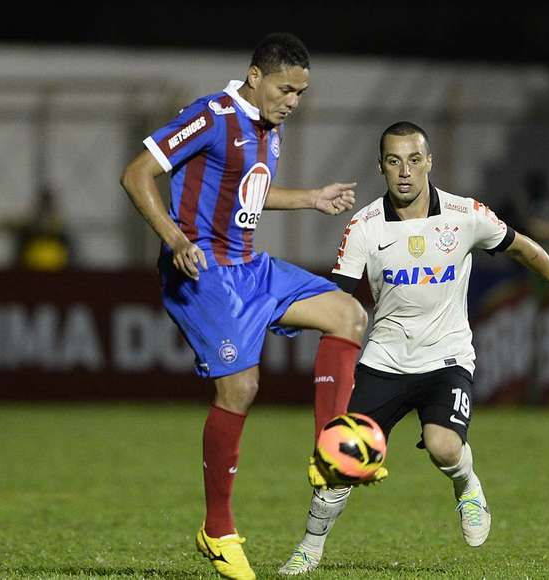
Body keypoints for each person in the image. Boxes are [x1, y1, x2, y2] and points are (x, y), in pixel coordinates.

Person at [279, 121, 549, 575]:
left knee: (444, 446)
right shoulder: (364, 226)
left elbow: (519, 245)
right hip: (384, 359)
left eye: (413, 159)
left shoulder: (465, 215)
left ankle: (468, 487)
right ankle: (310, 546)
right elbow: (338, 300)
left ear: (429, 162)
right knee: (342, 458)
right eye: (393, 161)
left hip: (446, 357)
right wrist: (288, 314)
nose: (404, 172)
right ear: (380, 167)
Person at [120, 33, 369, 580]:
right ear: (255, 76)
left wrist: (309, 198)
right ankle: (217, 530)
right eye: (286, 89)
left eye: (301, 93)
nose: (293, 102)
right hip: (202, 270)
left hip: (250, 268)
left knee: (348, 315)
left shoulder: (267, 129)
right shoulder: (211, 115)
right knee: (241, 387)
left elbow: (246, 194)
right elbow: (137, 173)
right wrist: (175, 240)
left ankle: (329, 453)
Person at [8, 184, 75, 271]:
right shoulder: (26, 235)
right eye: (43, 204)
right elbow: (17, 262)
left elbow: (71, 262)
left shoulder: (62, 236)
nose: (46, 210)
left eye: (49, 204)